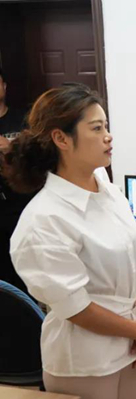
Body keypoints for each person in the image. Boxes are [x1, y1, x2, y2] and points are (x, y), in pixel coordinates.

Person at [3, 84, 136, 399]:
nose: (108, 136)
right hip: (85, 360)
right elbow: (75, 307)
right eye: (96, 128)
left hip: (131, 346)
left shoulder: (107, 189)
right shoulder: (44, 219)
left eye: (106, 126)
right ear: (61, 139)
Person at [0, 66, 31, 292]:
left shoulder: (24, 120)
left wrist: (10, 148)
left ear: (4, 86)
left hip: (23, 204)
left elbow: (39, 158)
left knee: (25, 272)